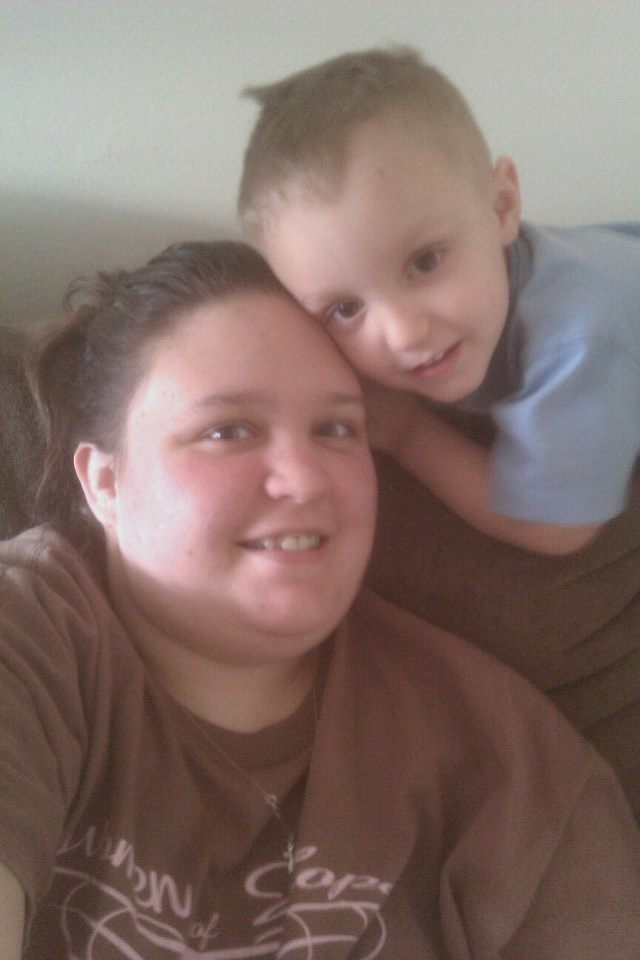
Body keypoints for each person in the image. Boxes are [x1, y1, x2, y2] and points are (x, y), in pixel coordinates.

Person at [0, 240, 639, 959]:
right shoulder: (28, 639)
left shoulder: (515, 770)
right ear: (105, 483)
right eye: (227, 430)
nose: (304, 479)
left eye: (336, 429)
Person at [237, 46, 640, 558]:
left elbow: (555, 529)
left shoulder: (576, 341)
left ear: (502, 207)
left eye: (425, 262)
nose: (403, 333)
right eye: (345, 309)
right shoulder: (482, 278)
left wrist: (407, 431)